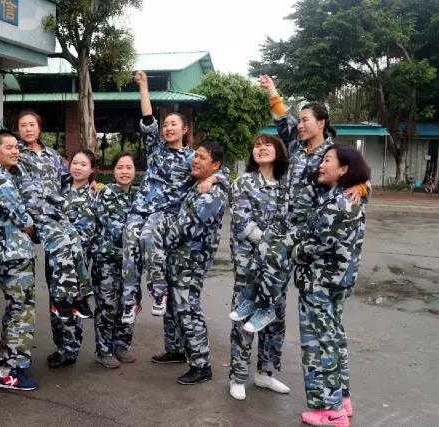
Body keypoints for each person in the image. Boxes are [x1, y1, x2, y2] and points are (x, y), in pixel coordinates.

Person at [230, 74, 367, 333]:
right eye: (300, 120)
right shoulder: (295, 145)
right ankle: (253, 302)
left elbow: (359, 176)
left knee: (275, 257)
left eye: (305, 120)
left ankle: (267, 307)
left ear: (321, 123)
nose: (300, 125)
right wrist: (271, 90)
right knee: (260, 255)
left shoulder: (333, 153)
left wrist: (360, 186)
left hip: (306, 225)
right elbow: (283, 118)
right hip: (282, 219)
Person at [0, 74, 90, 368]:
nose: (27, 128)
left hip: (55, 218)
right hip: (31, 221)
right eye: (22, 125)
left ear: (39, 128)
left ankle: (70, 335)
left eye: (31, 124)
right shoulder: (15, 152)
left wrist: (91, 186)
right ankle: (66, 303)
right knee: (59, 263)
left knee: (69, 264)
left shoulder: (54, 157)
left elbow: (72, 178)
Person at [121, 70, 225, 325]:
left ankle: (159, 293)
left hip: (165, 214)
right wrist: (143, 87)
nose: (168, 128)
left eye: (173, 124)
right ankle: (131, 300)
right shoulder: (155, 149)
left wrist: (212, 179)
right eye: (165, 124)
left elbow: (220, 170)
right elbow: (148, 118)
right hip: (140, 210)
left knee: (148, 238)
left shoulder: (192, 157)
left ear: (185, 129)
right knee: (130, 242)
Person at [293, 144, 369, 426]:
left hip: (319, 285)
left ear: (344, 169)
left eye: (327, 161)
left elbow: (314, 245)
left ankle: (330, 410)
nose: (321, 165)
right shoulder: (350, 195)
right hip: (334, 284)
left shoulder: (339, 203)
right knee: (334, 340)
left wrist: (291, 250)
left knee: (318, 346)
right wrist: (363, 185)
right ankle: (341, 400)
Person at [156, 141, 229, 385]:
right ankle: (177, 349)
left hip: (191, 261)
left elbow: (185, 227)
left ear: (215, 165)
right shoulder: (198, 184)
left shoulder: (212, 194)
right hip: (178, 259)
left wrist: (158, 239)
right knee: (175, 307)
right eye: (195, 156)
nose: (195, 160)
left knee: (188, 309)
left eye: (202, 157)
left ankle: (201, 365)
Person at [228, 134, 291, 400]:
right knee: (245, 317)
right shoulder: (243, 183)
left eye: (268, 145)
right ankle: (238, 376)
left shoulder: (288, 185)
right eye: (257, 145)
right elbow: (243, 224)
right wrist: (273, 247)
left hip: (279, 265)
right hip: (250, 263)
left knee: (275, 315)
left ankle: (266, 372)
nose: (262, 148)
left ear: (279, 152)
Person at [0, 129, 38, 391]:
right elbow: (20, 216)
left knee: (15, 307)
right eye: (9, 147)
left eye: (16, 147)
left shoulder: (3, 175)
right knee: (22, 310)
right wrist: (33, 224)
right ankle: (11, 371)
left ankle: (4, 359)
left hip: (10, 252)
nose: (15, 151)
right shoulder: (1, 179)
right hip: (13, 253)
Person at [46, 149, 97, 366]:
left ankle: (70, 349)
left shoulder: (93, 195)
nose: (78, 167)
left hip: (75, 259)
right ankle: (60, 346)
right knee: (56, 300)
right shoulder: (60, 189)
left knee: (72, 303)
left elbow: (88, 232)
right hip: (53, 255)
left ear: (92, 170)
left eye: (84, 164)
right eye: (75, 162)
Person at [91, 152, 138, 369]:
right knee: (108, 306)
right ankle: (103, 350)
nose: (124, 172)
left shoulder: (138, 195)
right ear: (113, 171)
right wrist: (139, 237)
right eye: (120, 167)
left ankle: (121, 345)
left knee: (128, 305)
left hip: (130, 263)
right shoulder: (107, 193)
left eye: (129, 167)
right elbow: (114, 226)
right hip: (107, 260)